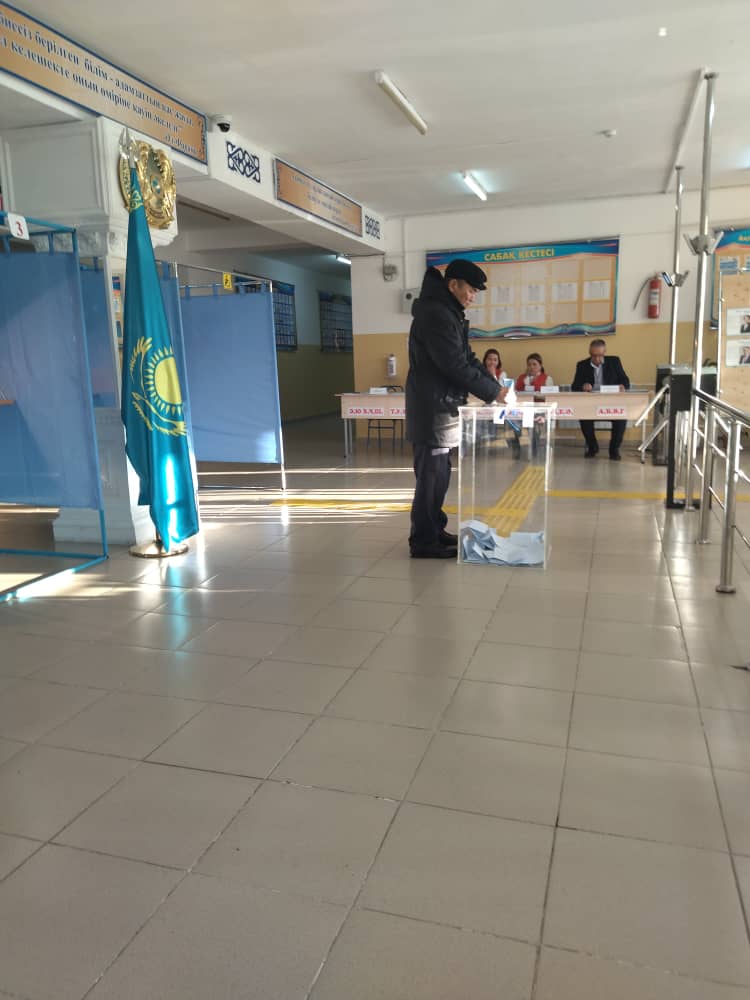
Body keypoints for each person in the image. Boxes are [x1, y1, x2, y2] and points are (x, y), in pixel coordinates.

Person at [406, 259, 505, 558]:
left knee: (440, 476)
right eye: (470, 290)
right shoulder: (437, 314)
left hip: (442, 406)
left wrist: (494, 385)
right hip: (432, 409)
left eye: (475, 292)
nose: (473, 297)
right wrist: (493, 393)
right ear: (453, 285)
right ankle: (423, 541)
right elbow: (453, 365)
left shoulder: (448, 312)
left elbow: (467, 357)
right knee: (431, 478)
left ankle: (434, 529)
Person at [571, 338, 630, 460]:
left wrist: (622, 386)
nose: (597, 359)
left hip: (611, 402)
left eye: (600, 355)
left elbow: (625, 380)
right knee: (584, 418)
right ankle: (593, 447)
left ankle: (614, 450)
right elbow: (574, 386)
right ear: (589, 353)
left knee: (621, 419)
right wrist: (583, 386)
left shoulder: (614, 362)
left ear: (605, 352)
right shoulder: (582, 365)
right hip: (591, 404)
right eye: (594, 355)